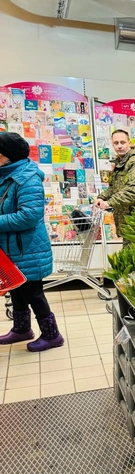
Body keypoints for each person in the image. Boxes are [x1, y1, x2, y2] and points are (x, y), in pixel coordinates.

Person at [0, 133, 63, 351]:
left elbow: (29, 215)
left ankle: (52, 335)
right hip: (11, 247)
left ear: (7, 155)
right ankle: (21, 329)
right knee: (16, 288)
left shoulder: (27, 178)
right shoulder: (6, 175)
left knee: (33, 292)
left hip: (27, 248)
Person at [95, 130, 135, 240]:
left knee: (134, 255)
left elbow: (133, 192)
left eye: (122, 142)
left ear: (129, 142)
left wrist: (109, 202)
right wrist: (102, 197)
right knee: (128, 255)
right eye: (116, 143)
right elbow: (113, 188)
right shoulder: (121, 162)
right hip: (126, 222)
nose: (119, 146)